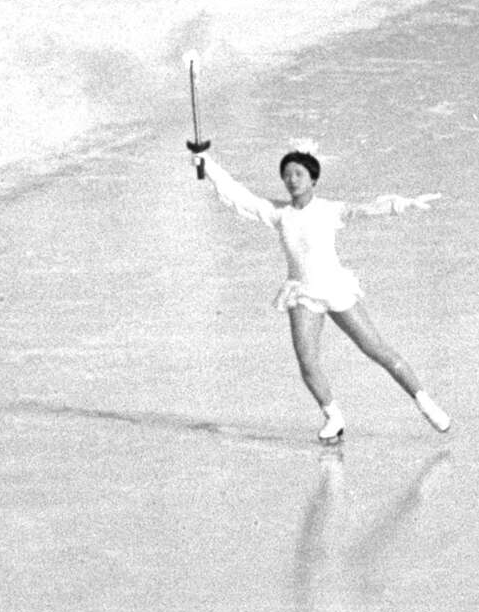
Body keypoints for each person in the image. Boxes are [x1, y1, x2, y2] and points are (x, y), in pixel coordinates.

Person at [191, 141, 452, 442]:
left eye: (298, 174)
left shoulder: (329, 210)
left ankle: (426, 403)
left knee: (377, 350)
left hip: (334, 287)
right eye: (287, 174)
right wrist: (207, 164)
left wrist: (401, 204)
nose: (291, 180)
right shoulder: (279, 212)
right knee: (307, 361)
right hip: (303, 293)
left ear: (313, 179)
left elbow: (365, 210)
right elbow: (239, 195)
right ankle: (333, 417)